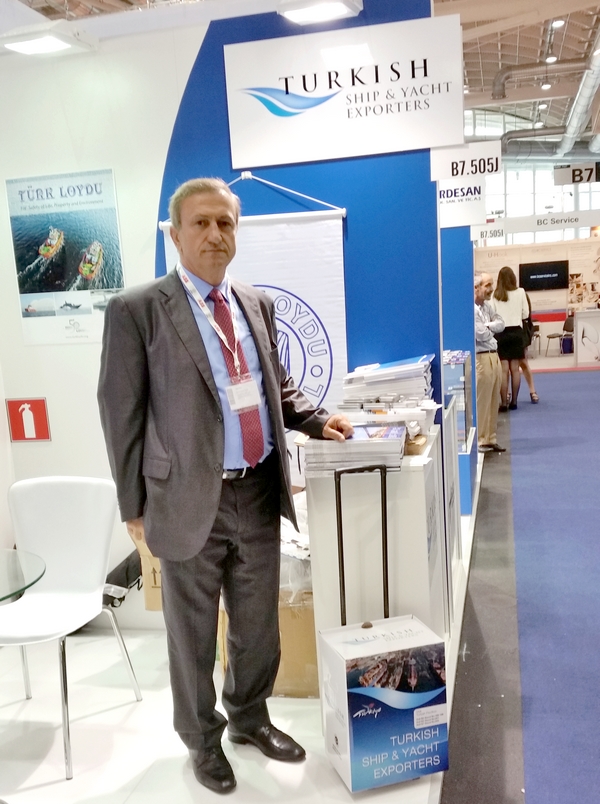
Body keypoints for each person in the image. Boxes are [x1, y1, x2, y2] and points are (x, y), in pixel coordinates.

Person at [97, 178, 353, 794]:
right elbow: (120, 411)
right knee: (190, 636)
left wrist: (319, 420)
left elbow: (274, 387)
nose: (215, 234)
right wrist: (133, 505)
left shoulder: (254, 302)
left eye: (226, 223)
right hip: (186, 499)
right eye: (202, 223)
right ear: (175, 233)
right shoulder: (137, 310)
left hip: (257, 490)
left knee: (257, 625)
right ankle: (202, 741)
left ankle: (249, 717)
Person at [474, 272, 506, 454]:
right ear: (476, 288)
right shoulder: (471, 310)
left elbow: (501, 324)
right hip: (481, 358)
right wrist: (490, 327)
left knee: (494, 399)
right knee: (482, 401)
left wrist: (488, 326)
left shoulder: (487, 307)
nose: (491, 289)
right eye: (487, 285)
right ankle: (480, 440)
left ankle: (490, 438)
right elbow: (480, 334)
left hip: (494, 356)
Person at [490, 266, 529, 410]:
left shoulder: (495, 295)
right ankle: (514, 402)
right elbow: (525, 314)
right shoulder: (521, 292)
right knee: (515, 369)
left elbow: (492, 314)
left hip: (501, 333)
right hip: (516, 332)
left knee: (503, 370)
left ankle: (504, 403)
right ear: (513, 278)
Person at [519, 292, 540, 403]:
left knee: (523, 362)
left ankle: (532, 391)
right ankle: (506, 393)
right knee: (506, 367)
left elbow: (527, 315)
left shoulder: (521, 294)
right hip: (506, 333)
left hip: (521, 332)